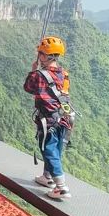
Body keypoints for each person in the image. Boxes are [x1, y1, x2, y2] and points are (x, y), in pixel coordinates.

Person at [23, 35, 74, 201]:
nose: (39, 56)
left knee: (48, 149)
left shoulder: (38, 75)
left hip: (48, 120)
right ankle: (47, 177)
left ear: (45, 56)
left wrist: (33, 70)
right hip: (65, 118)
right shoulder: (64, 74)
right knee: (56, 148)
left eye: (40, 54)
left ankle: (61, 187)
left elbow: (28, 88)